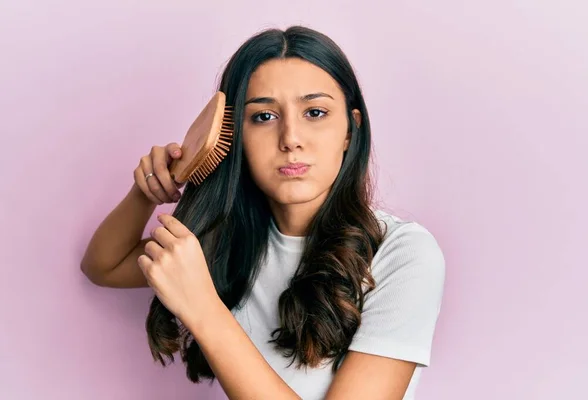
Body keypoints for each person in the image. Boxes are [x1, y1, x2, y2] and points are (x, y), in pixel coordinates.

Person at [80, 25, 446, 400]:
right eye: (264, 117)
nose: (290, 138)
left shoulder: (403, 254)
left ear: (350, 131)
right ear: (234, 133)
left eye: (315, 112)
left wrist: (204, 310)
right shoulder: (224, 241)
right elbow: (104, 266)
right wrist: (147, 193)